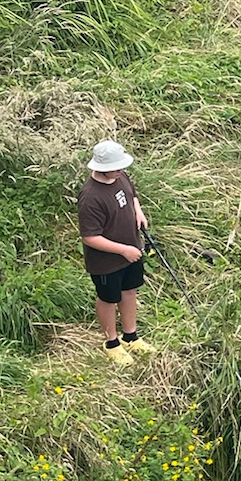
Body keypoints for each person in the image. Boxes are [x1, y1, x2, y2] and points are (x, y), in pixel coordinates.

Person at [78, 140, 155, 362]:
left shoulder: (119, 176)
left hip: (132, 249)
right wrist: (123, 250)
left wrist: (138, 212)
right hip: (107, 262)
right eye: (117, 167)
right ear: (101, 168)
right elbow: (89, 237)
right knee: (108, 299)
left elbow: (132, 196)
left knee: (130, 291)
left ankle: (130, 337)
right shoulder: (90, 198)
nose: (122, 170)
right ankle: (111, 342)